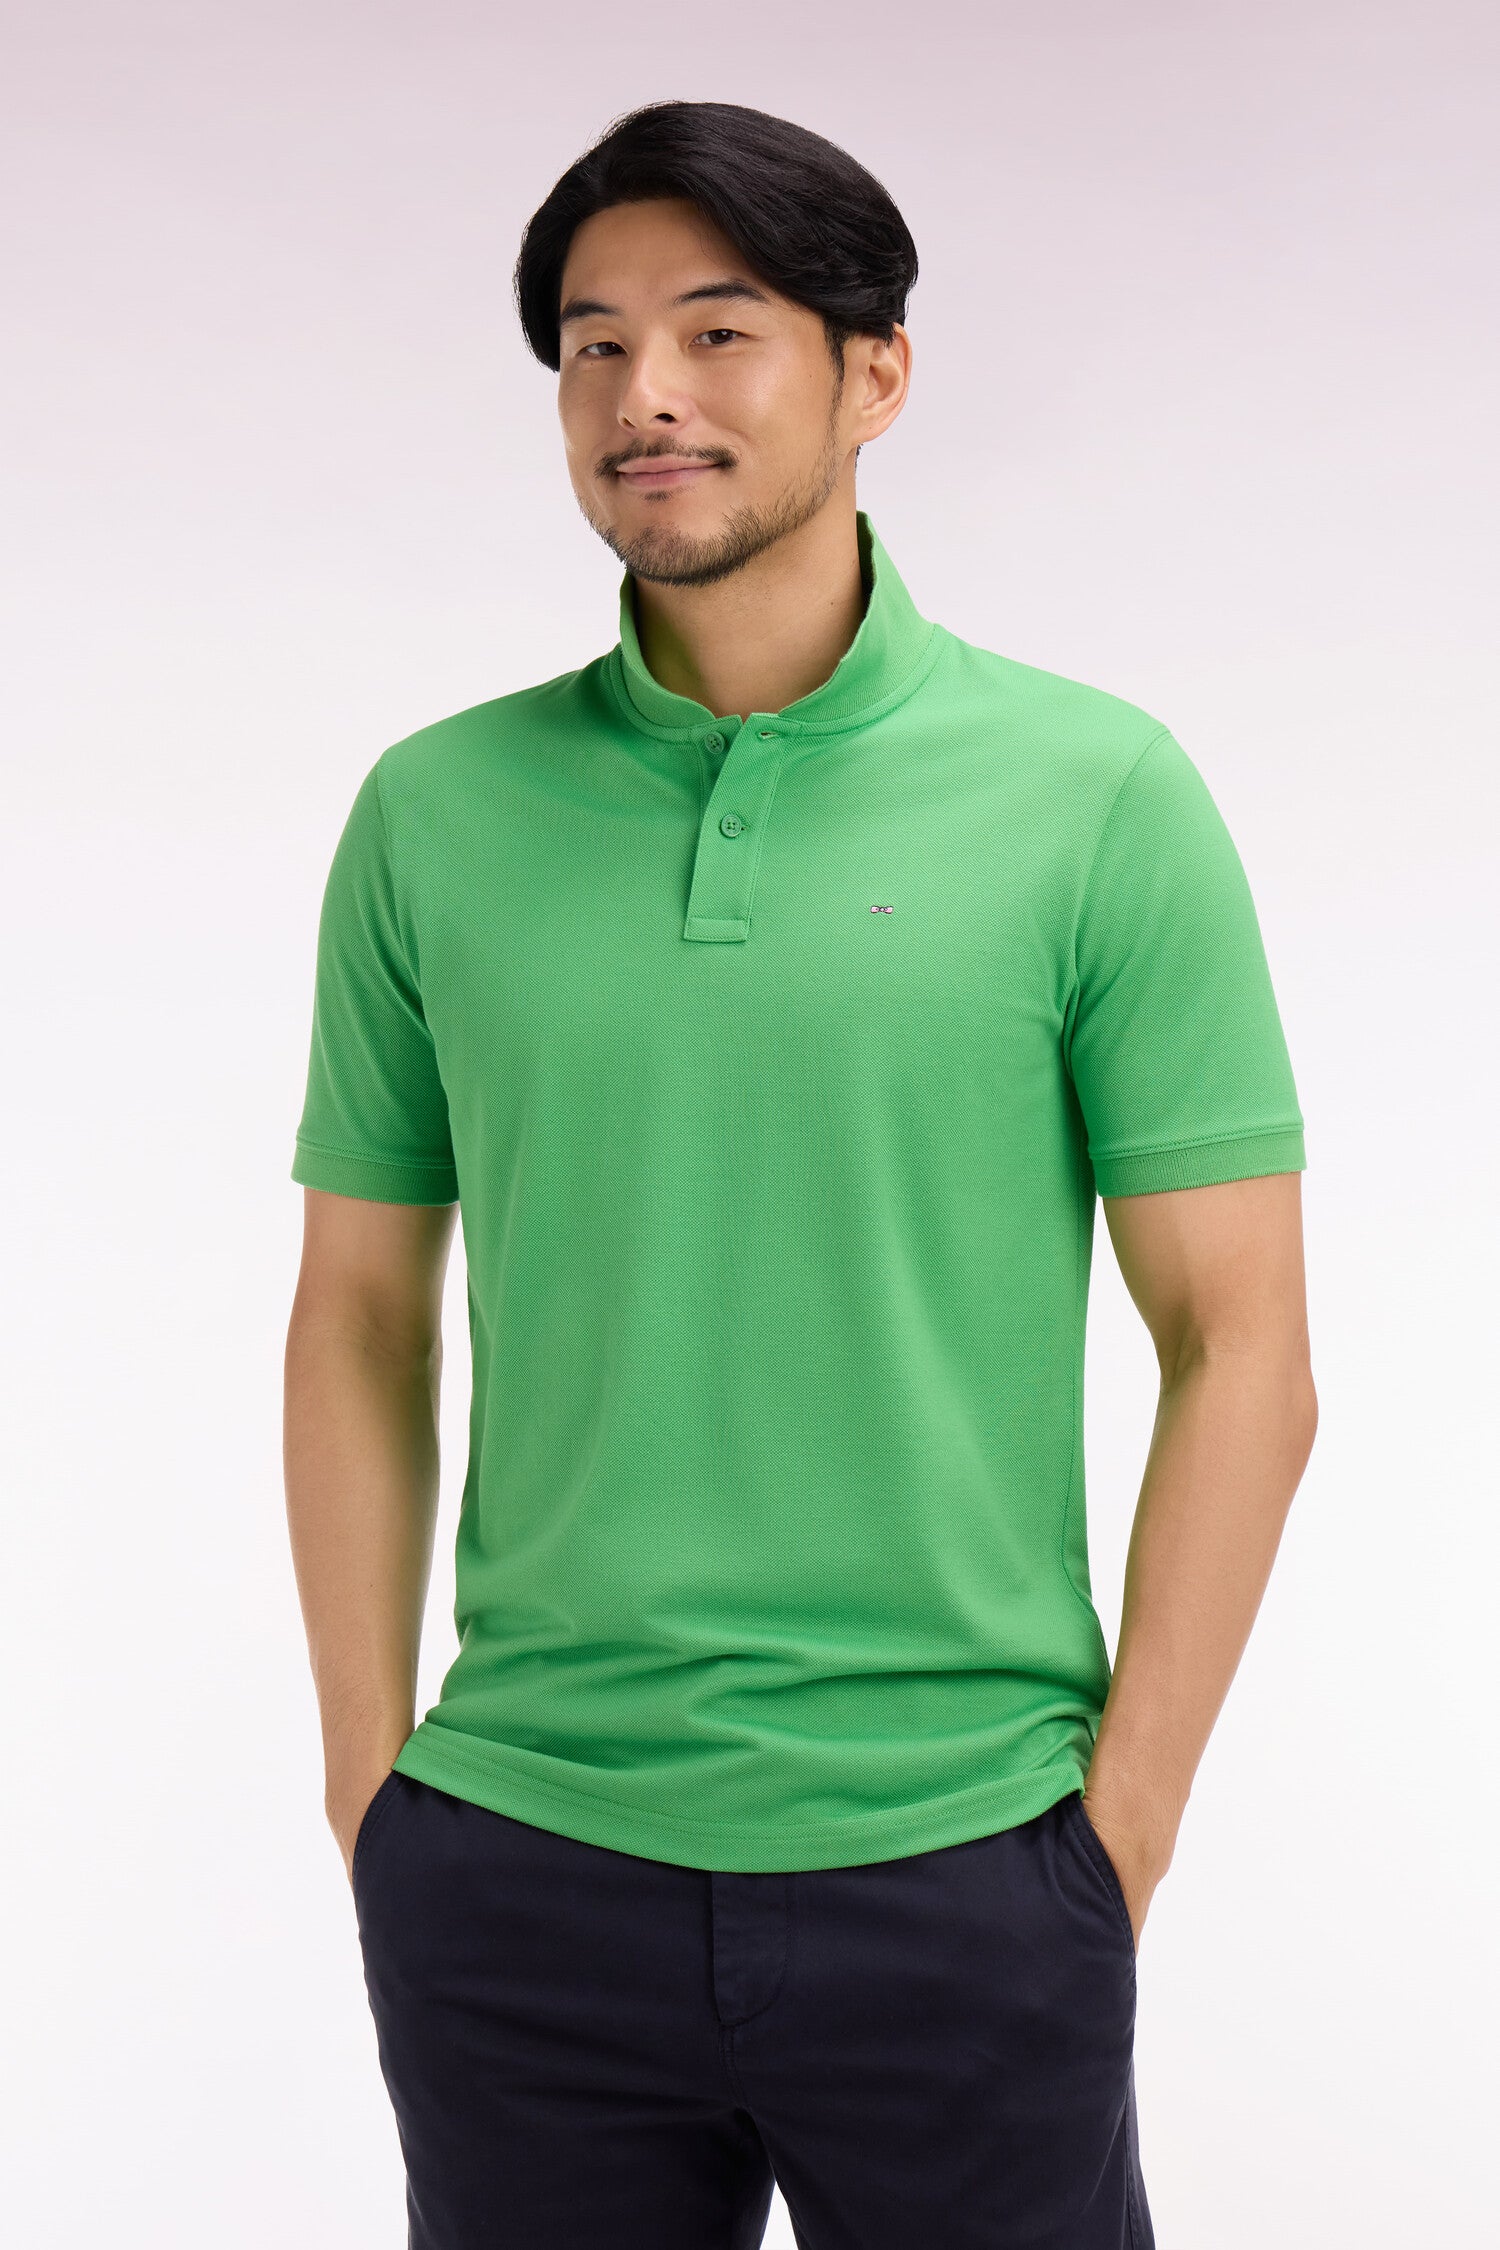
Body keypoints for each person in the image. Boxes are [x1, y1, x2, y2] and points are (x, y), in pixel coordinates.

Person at [284, 98, 1317, 2250]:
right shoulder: (434, 813)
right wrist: (375, 1790)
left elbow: (1245, 1346)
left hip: (967, 1869)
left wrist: (1115, 1836)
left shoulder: (1097, 797)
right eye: (591, 344)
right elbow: (360, 1316)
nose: (642, 393)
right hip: (517, 1869)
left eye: (716, 329)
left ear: (877, 372)